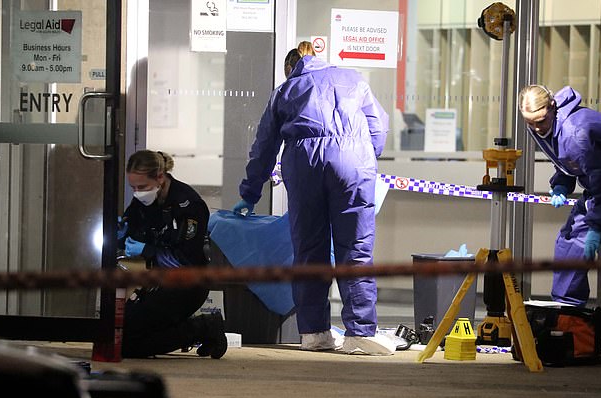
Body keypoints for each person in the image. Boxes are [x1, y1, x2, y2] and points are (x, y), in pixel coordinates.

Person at [232, 41, 395, 355]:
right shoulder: (354, 78)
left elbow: (264, 146)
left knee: (309, 249)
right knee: (356, 247)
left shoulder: (285, 90)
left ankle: (314, 333)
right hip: (353, 164)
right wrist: (363, 156)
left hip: (305, 164)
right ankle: (360, 332)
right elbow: (379, 127)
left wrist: (250, 193)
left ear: (291, 67)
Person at [518, 84, 601, 363]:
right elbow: (564, 160)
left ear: (552, 107)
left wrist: (596, 229)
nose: (537, 129)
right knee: (569, 246)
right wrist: (561, 184)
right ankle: (568, 322)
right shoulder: (542, 124)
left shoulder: (576, 131)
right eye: (530, 123)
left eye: (540, 122)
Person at [118, 149, 227, 359]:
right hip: (155, 282)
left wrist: (146, 250)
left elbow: (187, 261)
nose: (137, 193)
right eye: (133, 188)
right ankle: (189, 329)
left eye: (142, 187)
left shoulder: (188, 205)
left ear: (160, 177)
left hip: (186, 285)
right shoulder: (143, 202)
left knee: (127, 344)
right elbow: (131, 229)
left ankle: (202, 328)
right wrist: (120, 234)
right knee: (117, 332)